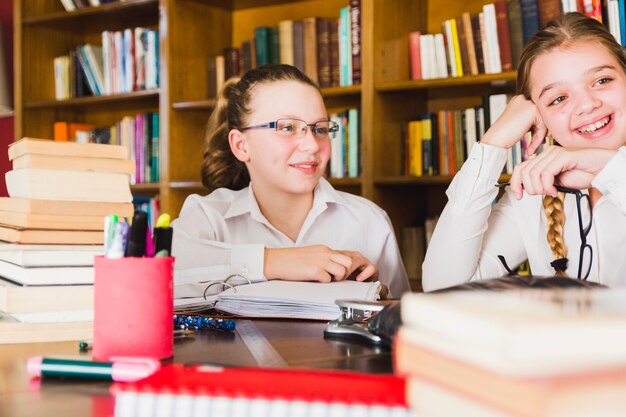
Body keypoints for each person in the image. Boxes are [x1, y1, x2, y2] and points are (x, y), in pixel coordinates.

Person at [422, 13, 626, 291]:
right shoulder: (535, 193)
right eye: (558, 99)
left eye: (602, 80)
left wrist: (608, 166)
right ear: (541, 118)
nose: (586, 105)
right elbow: (442, 289)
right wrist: (493, 142)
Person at [172, 64, 410, 298]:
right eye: (287, 127)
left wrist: (374, 292)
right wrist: (273, 261)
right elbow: (161, 271)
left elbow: (401, 322)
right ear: (240, 145)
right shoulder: (209, 217)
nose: (312, 145)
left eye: (320, 129)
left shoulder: (370, 222)